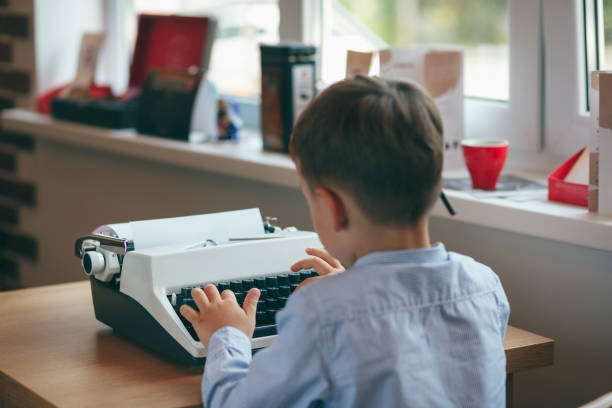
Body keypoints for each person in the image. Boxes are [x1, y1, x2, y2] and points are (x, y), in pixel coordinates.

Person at [180, 75, 510, 407]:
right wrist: (352, 286)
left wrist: (227, 335)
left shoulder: (324, 313)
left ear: (333, 207)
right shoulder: (485, 286)